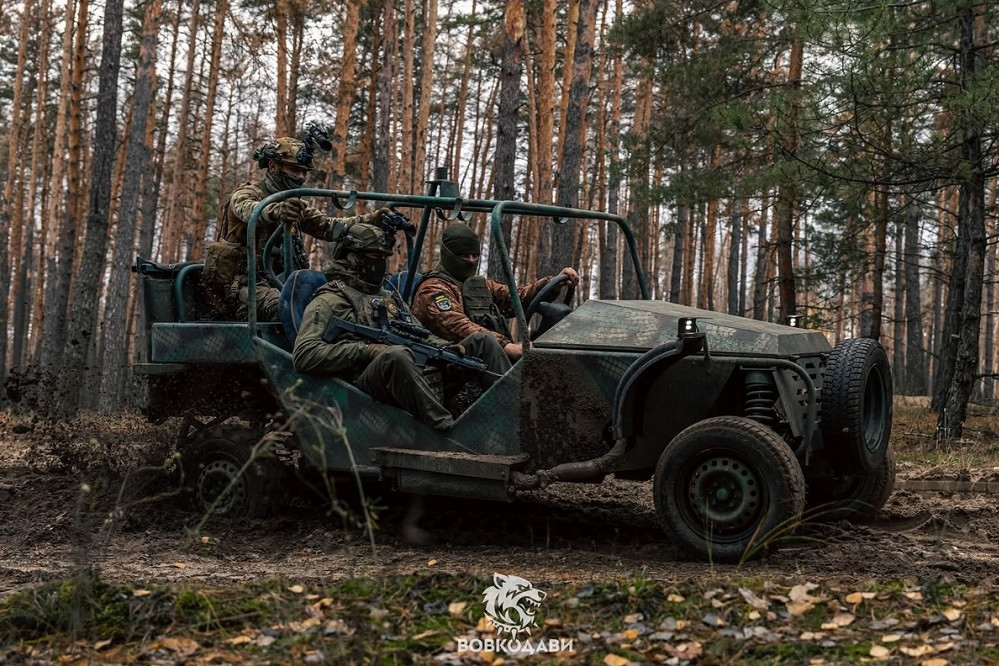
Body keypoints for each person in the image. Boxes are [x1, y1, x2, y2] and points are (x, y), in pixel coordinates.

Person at [292, 223, 511, 431]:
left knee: (482, 342)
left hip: (413, 377)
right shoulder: (329, 299)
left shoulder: (390, 298)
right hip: (363, 389)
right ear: (353, 258)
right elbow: (304, 354)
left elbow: (417, 333)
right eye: (375, 257)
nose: (380, 264)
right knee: (397, 356)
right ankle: (448, 432)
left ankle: (512, 416)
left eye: (384, 258)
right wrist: (366, 350)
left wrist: (445, 348)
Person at [202, 136, 391, 320]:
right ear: (273, 167)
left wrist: (372, 219)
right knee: (292, 304)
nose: (300, 177)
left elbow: (328, 226)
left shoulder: (293, 203)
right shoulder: (248, 194)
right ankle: (309, 351)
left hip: (278, 282)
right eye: (294, 169)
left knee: (333, 299)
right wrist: (276, 210)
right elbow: (249, 210)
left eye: (304, 172)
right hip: (241, 288)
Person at [412, 223, 579, 360]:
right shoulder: (433, 289)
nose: (471, 261)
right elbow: (456, 325)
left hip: (487, 360)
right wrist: (506, 345)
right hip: (451, 364)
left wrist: (553, 283)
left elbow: (516, 299)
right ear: (448, 255)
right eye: (464, 256)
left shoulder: (479, 286)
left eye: (475, 256)